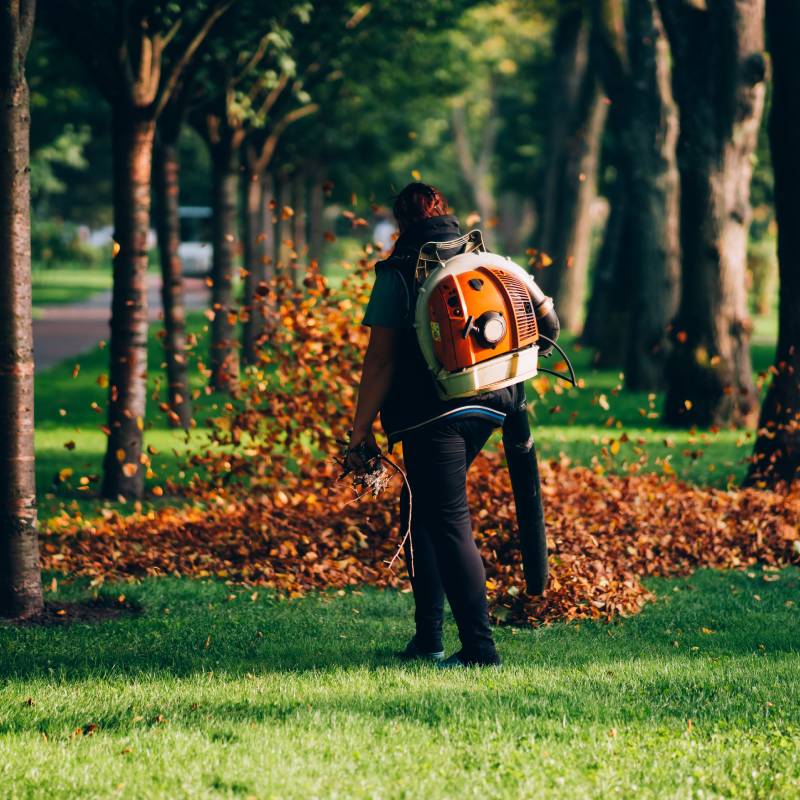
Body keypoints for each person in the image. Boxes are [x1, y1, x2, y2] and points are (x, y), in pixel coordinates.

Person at [348, 183, 529, 668]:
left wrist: (359, 430)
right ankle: (427, 639)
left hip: (437, 414)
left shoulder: (399, 271)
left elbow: (381, 361)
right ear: (444, 212)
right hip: (494, 403)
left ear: (401, 223)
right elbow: (540, 320)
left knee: (448, 522)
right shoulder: (482, 258)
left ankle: (479, 650)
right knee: (420, 506)